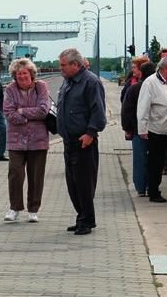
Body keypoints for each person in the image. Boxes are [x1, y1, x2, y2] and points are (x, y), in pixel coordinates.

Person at [57, 48, 106, 235]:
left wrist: (90, 133)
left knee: (84, 184)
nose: (60, 68)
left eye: (63, 65)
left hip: (84, 141)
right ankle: (81, 217)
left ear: (74, 65)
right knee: (73, 185)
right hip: (69, 141)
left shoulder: (91, 82)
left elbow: (98, 111)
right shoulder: (68, 82)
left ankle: (87, 221)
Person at [2, 58, 51, 223]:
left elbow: (44, 110)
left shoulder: (41, 86)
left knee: (36, 175)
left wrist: (21, 110)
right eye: (18, 74)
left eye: (25, 73)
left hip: (38, 139)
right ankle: (14, 208)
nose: (22, 76)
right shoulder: (10, 89)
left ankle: (33, 209)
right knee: (15, 173)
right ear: (14, 76)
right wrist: (27, 118)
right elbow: (8, 113)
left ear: (31, 74)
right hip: (16, 140)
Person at [137, 57, 167, 202]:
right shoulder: (150, 83)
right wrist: (142, 129)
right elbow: (143, 107)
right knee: (156, 163)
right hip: (157, 130)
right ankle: (153, 192)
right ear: (165, 69)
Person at [121, 61, 157, 197]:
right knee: (154, 159)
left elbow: (126, 110)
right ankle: (152, 186)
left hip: (137, 130)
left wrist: (127, 128)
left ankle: (140, 187)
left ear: (141, 73)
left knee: (139, 159)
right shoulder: (156, 88)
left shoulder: (134, 88)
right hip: (155, 129)